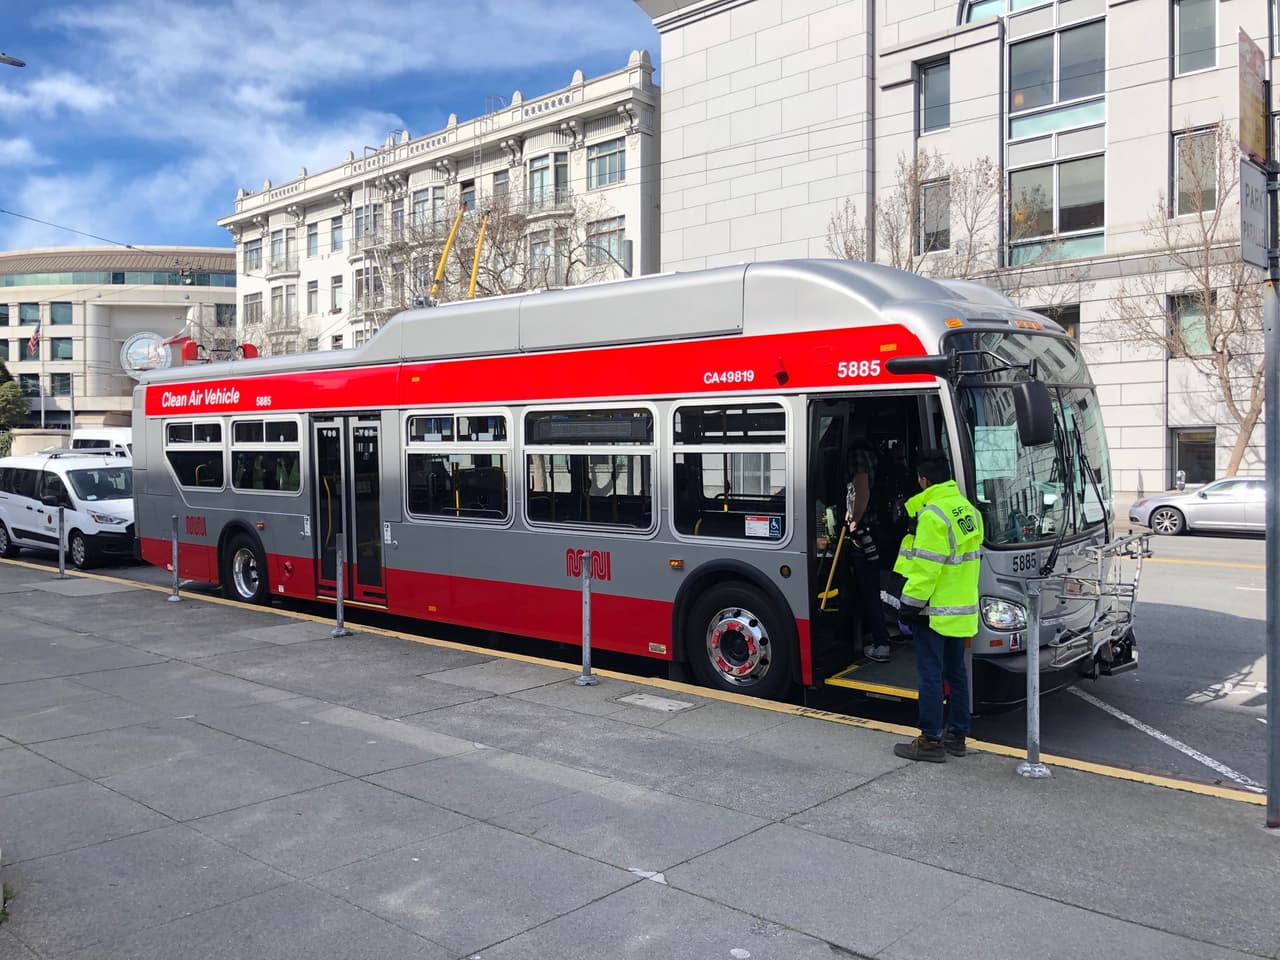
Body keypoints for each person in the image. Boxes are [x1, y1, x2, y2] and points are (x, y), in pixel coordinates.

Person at [892, 450, 984, 763]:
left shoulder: (932, 516)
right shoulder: (968, 510)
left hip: (933, 611)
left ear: (922, 479)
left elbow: (926, 569)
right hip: (961, 610)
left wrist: (908, 605)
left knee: (930, 674)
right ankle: (957, 735)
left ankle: (930, 741)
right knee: (956, 672)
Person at [845, 431, 891, 662]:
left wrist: (853, 522)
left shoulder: (857, 454)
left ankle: (880, 642)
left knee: (868, 591)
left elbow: (861, 490)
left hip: (865, 534)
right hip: (876, 530)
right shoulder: (873, 453)